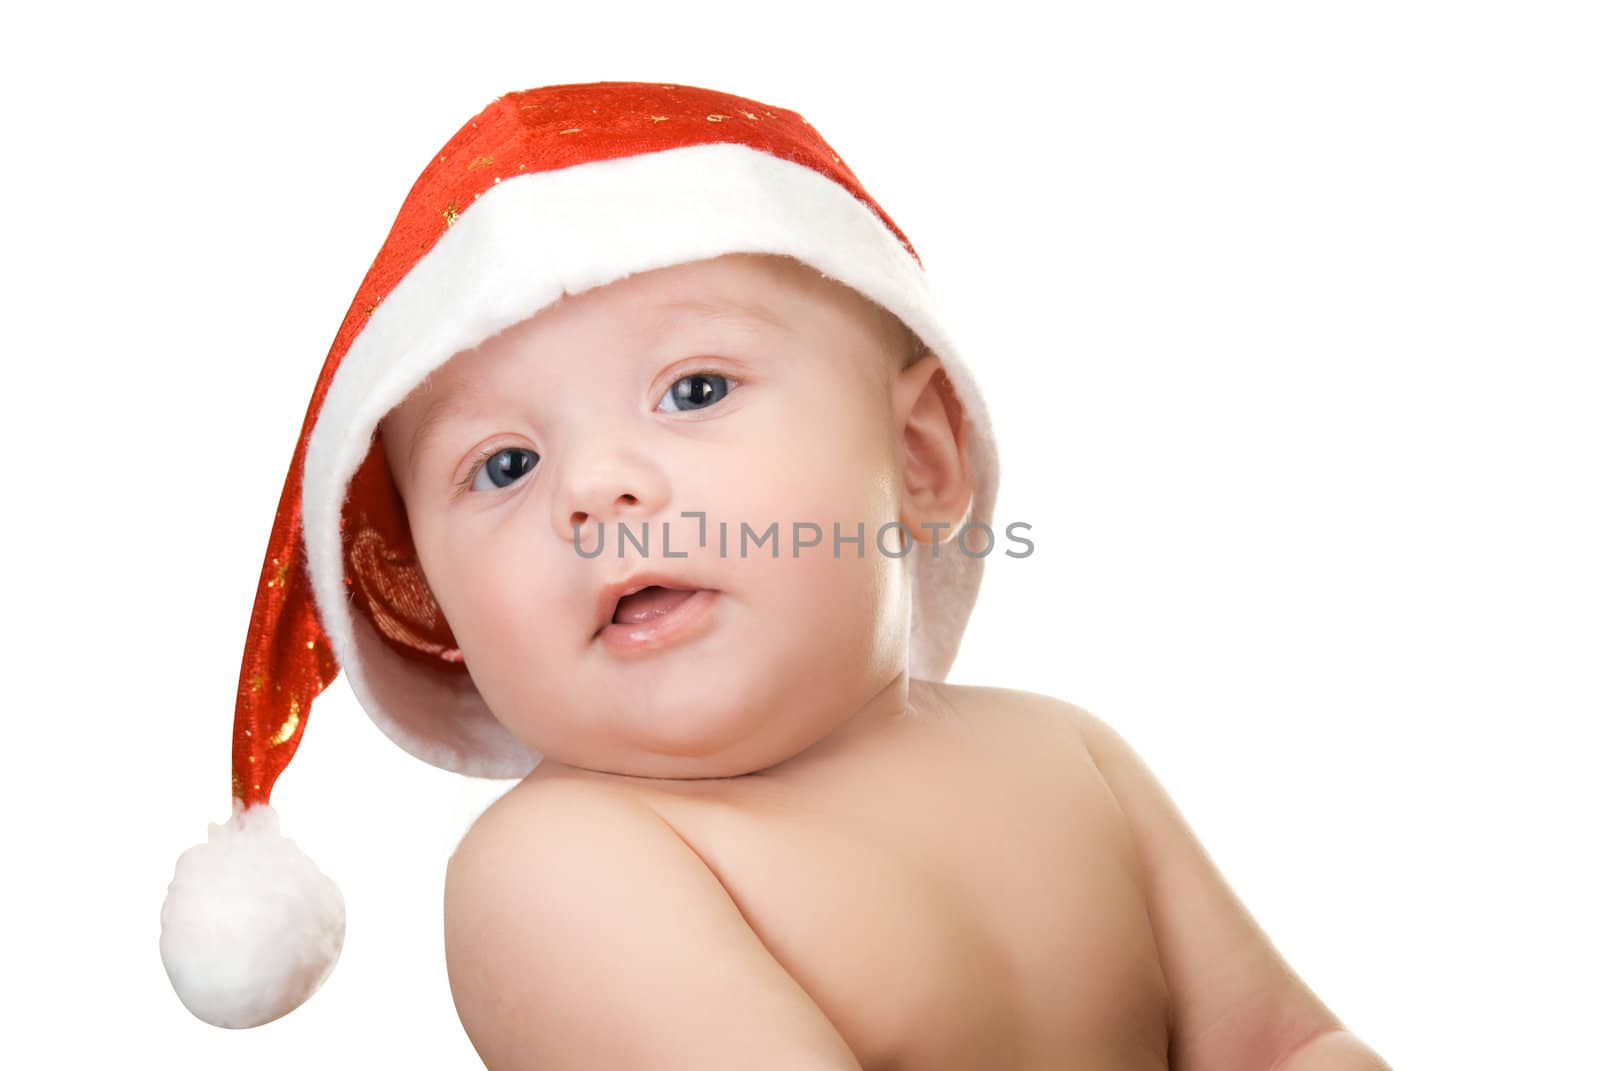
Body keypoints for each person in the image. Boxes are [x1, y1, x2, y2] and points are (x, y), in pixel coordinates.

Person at [159, 81, 1392, 1070]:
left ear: (916, 457)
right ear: (427, 596)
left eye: (695, 389)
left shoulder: (1069, 758)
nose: (596, 491)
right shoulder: (563, 868)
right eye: (505, 464)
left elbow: (1288, 1043)